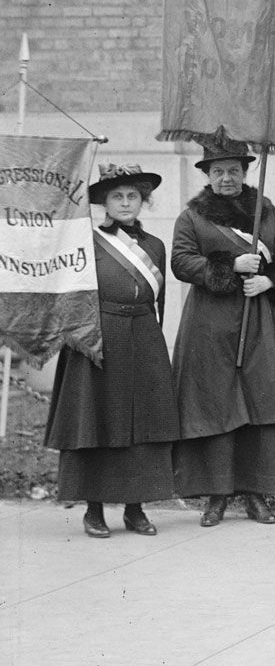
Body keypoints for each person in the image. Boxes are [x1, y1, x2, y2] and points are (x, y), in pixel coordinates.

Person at [170, 139, 275, 526]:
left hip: (259, 320)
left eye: (233, 171)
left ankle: (256, 494)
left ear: (245, 173)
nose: (226, 178)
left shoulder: (265, 210)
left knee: (259, 406)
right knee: (216, 407)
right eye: (218, 172)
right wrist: (232, 264)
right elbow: (181, 261)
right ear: (207, 176)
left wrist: (269, 280)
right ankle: (217, 496)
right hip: (210, 325)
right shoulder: (192, 217)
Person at [45, 164, 180, 537]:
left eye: (132, 196)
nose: (125, 202)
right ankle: (93, 510)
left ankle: (135, 509)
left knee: (143, 424)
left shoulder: (154, 246)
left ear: (143, 201)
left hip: (143, 337)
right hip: (98, 338)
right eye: (117, 196)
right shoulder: (87, 242)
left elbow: (159, 298)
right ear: (104, 201)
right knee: (99, 421)